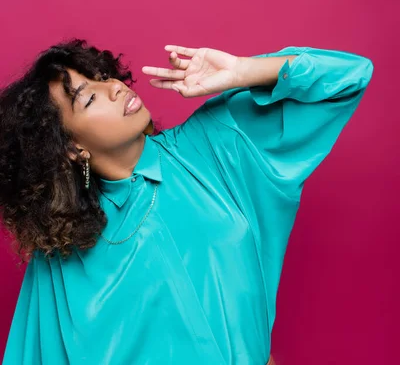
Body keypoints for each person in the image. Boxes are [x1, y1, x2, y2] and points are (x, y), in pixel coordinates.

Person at [0, 38, 374, 365]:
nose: (114, 87)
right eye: (90, 96)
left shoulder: (214, 144)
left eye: (101, 76)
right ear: (70, 147)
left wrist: (245, 70)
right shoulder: (65, 249)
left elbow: (350, 77)